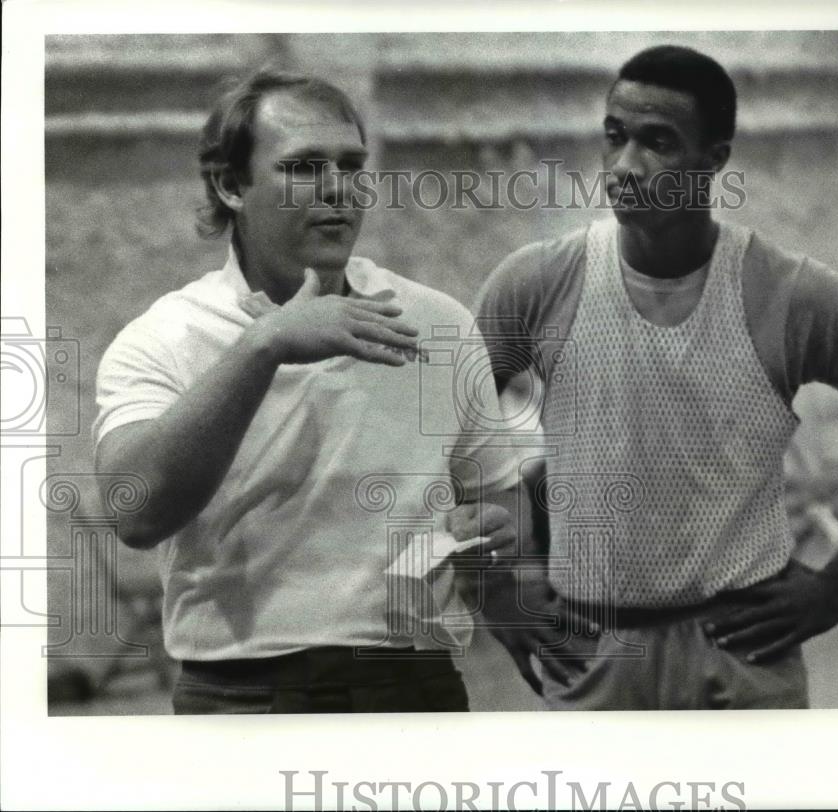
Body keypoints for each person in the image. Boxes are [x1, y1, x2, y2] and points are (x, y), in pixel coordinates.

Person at [474, 44, 838, 709]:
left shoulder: (792, 294)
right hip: (597, 658)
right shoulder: (539, 282)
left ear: (715, 158)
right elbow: (447, 434)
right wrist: (497, 587)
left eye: (658, 142)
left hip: (743, 658)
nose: (624, 166)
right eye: (615, 137)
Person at [93, 69, 519, 714]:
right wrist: (264, 347)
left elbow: (502, 505)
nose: (337, 190)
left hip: (414, 685)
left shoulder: (436, 322)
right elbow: (135, 513)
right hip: (240, 693)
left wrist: (489, 529)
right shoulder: (166, 337)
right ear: (232, 184)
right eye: (304, 166)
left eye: (351, 165)